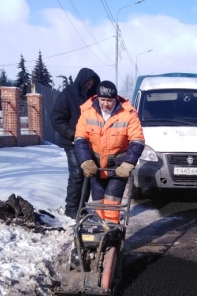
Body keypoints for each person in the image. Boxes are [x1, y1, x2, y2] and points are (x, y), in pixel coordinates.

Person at [74, 81, 145, 223]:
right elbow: (80, 138)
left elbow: (137, 140)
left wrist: (128, 163)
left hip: (117, 167)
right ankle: (101, 234)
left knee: (111, 202)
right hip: (96, 165)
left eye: (109, 100)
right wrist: (86, 161)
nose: (105, 104)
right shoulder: (87, 112)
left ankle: (112, 239)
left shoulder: (128, 113)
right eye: (103, 100)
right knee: (98, 202)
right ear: (97, 98)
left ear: (116, 99)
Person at [51, 68, 100, 218]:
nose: (89, 86)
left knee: (88, 173)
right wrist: (74, 134)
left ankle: (82, 206)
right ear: (81, 80)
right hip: (71, 142)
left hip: (89, 142)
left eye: (92, 83)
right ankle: (71, 209)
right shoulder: (67, 95)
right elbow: (56, 119)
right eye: (87, 83)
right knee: (77, 173)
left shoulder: (93, 97)